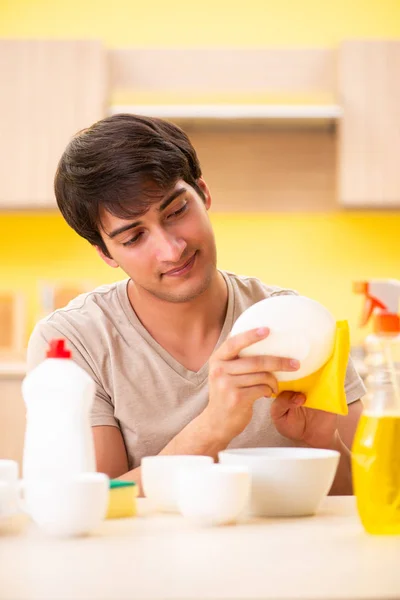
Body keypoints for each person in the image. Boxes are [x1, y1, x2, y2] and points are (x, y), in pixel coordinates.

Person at [27, 114, 366, 495]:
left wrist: (321, 442)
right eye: (134, 237)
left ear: (203, 193)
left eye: (176, 212)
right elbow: (96, 500)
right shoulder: (74, 340)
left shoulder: (297, 324)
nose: (171, 250)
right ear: (106, 253)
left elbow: (373, 495)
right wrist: (214, 427)